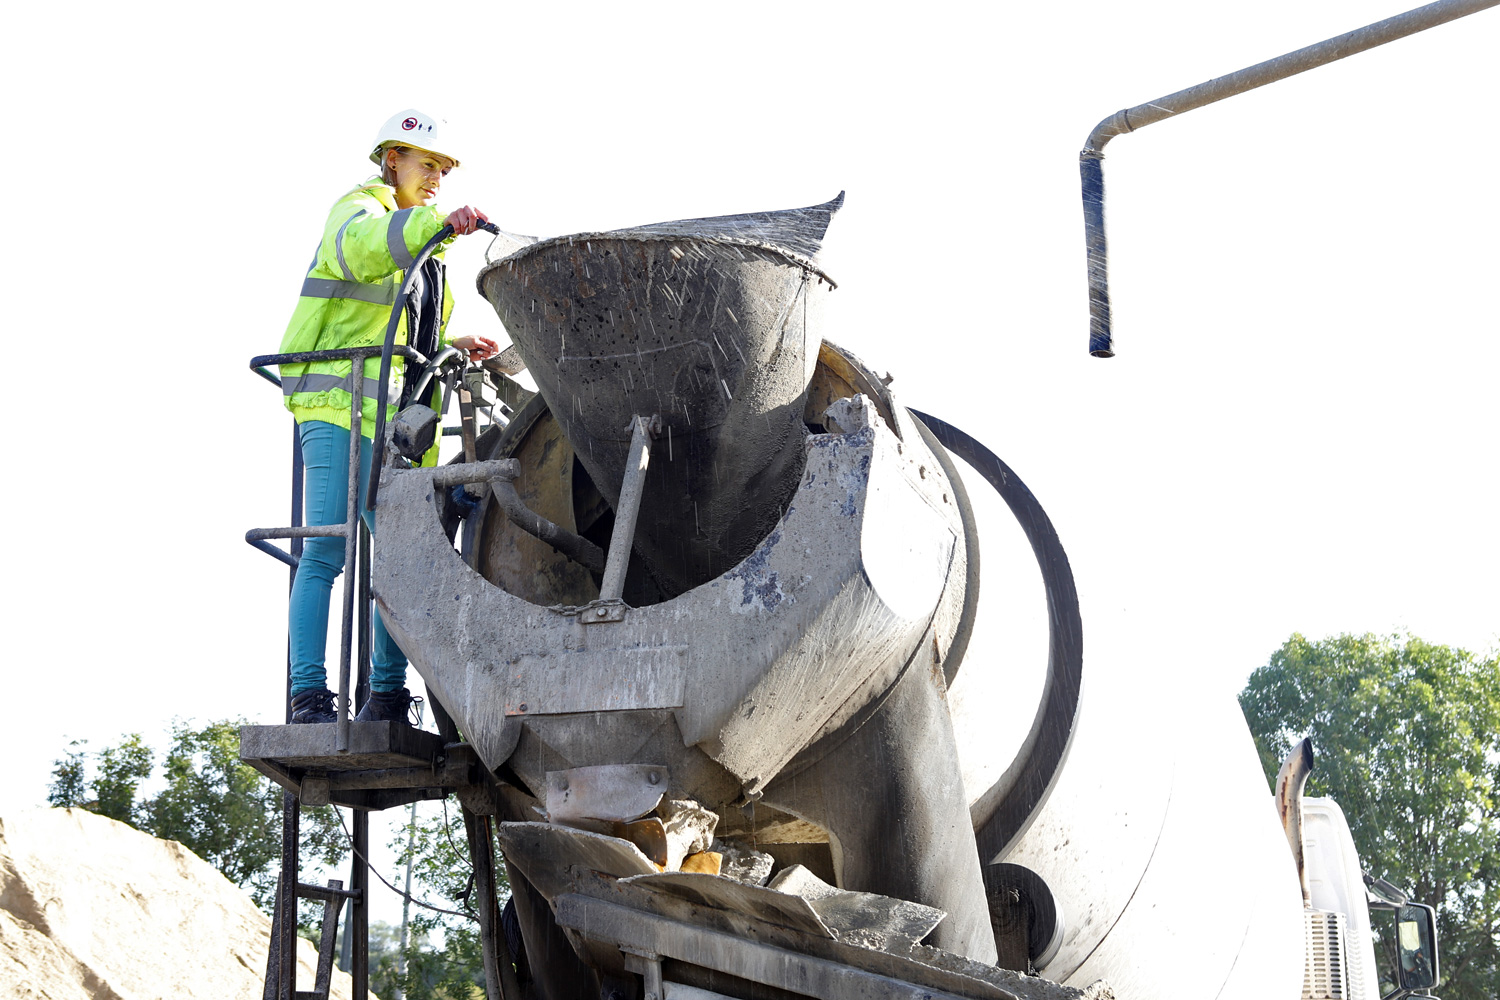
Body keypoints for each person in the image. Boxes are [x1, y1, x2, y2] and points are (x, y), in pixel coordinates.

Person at [277, 109, 498, 725]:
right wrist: (435, 226)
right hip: (336, 406)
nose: (435, 178)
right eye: (427, 164)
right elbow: (363, 254)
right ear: (391, 160)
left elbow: (399, 326)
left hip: (401, 427)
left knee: (401, 563)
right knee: (325, 550)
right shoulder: (360, 210)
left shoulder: (427, 250)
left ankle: (385, 696)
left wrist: (453, 341)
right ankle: (309, 696)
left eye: (443, 171)